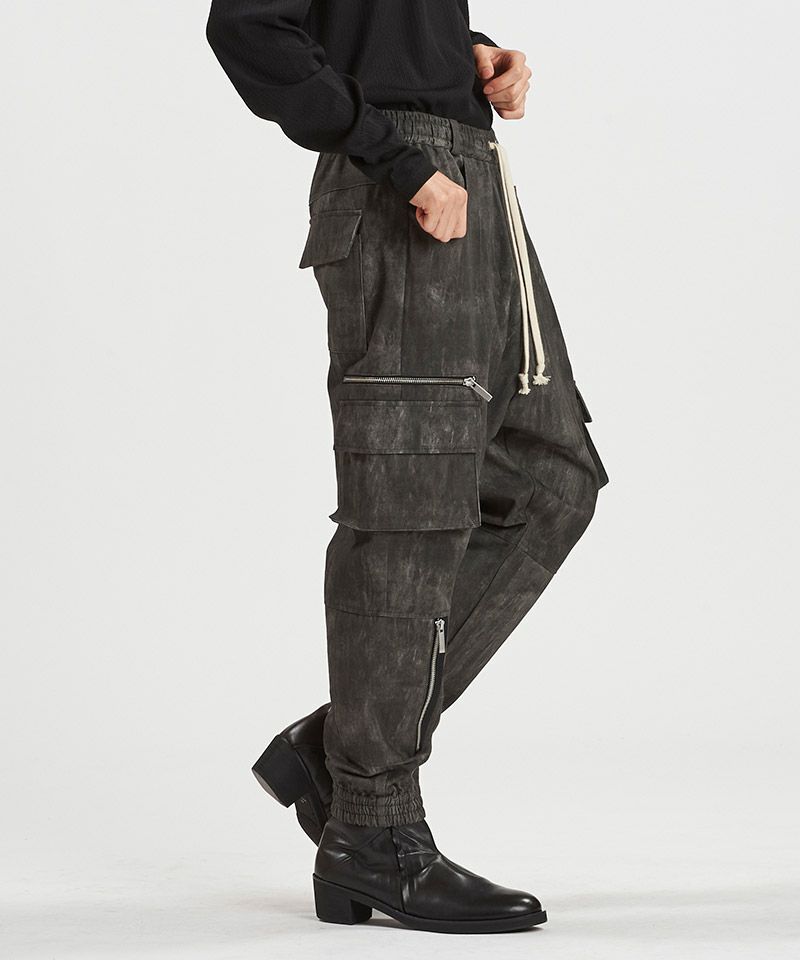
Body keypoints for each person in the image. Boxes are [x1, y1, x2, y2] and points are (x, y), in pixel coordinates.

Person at [206, 0, 608, 934]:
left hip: (472, 178)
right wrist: (398, 157)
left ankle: (338, 754)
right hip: (404, 188)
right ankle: (375, 827)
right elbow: (249, 27)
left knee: (551, 479)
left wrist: (470, 54)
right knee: (409, 509)